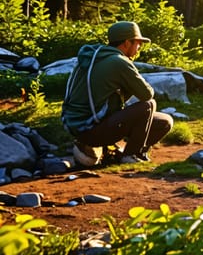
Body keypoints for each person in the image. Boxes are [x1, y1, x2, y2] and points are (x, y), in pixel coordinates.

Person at [61, 21, 173, 166]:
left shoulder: (94, 57)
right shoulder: (118, 62)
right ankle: (130, 155)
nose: (139, 48)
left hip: (78, 127)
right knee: (148, 105)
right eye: (138, 43)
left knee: (164, 122)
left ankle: (117, 152)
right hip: (91, 130)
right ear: (127, 43)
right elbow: (147, 94)